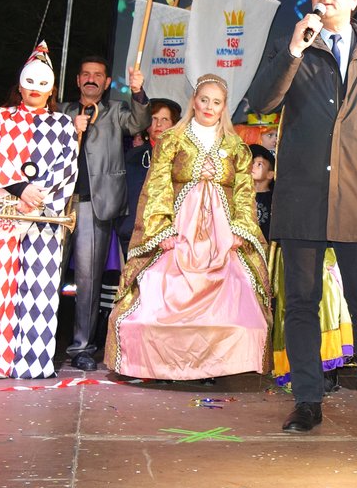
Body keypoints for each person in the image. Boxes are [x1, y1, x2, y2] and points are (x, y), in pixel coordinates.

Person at [246, 0, 357, 438]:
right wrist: (294, 50)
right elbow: (262, 101)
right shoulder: (293, 44)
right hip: (301, 195)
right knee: (301, 303)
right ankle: (306, 401)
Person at [105, 74, 271, 381]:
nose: (209, 106)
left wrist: (239, 230)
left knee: (225, 305)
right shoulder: (172, 140)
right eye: (204, 99)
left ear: (224, 107)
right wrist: (161, 230)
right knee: (162, 299)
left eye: (216, 102)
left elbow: (244, 193)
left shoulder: (236, 146)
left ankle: (211, 367)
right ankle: (163, 366)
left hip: (221, 236)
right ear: (194, 101)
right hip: (180, 231)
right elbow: (157, 186)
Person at [0, 43, 78, 379]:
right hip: (2, 210)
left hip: (42, 214)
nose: (35, 89)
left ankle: (31, 362)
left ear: (52, 89)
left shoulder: (63, 124)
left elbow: (67, 166)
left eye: (43, 83)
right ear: (20, 85)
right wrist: (18, 187)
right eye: (30, 82)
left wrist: (37, 194)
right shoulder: (0, 117)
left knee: (38, 287)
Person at [59, 55, 150, 371]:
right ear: (77, 80)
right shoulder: (60, 112)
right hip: (57, 204)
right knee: (46, 275)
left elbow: (139, 122)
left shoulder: (115, 111)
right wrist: (69, 129)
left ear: (107, 82)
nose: (91, 79)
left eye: (98, 75)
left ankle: (82, 347)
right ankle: (39, 341)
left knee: (88, 280)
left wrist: (137, 92)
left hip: (93, 205)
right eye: (85, 74)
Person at [118, 98, 182, 253]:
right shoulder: (132, 156)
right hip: (134, 233)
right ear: (146, 124)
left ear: (174, 125)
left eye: (165, 119)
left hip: (173, 235)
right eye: (154, 119)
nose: (158, 124)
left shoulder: (182, 157)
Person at [249, 143, 275, 239]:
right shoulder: (243, 195)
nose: (253, 166)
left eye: (259, 164)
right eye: (252, 163)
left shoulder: (274, 199)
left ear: (270, 174)